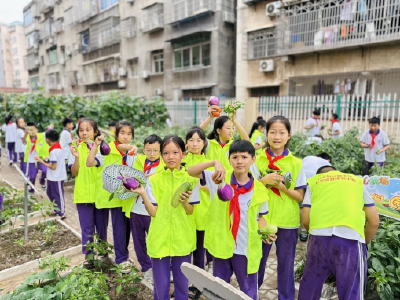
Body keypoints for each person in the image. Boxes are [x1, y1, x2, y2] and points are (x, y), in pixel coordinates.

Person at [188, 140, 275, 300]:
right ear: (229, 160)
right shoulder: (219, 179)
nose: (239, 161)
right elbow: (191, 171)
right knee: (219, 292)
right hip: (222, 247)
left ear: (253, 159)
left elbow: (261, 217)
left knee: (249, 292)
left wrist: (265, 232)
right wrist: (215, 162)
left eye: (244, 157)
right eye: (235, 157)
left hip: (246, 249)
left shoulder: (260, 189)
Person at [127, 135, 200, 300]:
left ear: (183, 154)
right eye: (166, 153)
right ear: (162, 155)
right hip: (159, 238)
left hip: (183, 238)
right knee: (161, 286)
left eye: (175, 152)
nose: (171, 157)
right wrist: (143, 193)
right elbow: (153, 212)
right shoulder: (154, 180)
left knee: (182, 284)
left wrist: (186, 202)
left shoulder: (191, 180)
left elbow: (190, 211)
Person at [298, 165, 380, 300]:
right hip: (350, 241)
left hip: (319, 239)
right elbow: (374, 221)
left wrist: (315, 234)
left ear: (320, 175)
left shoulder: (314, 182)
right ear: (337, 172)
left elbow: (306, 220)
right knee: (350, 292)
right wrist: (363, 242)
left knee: (309, 287)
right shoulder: (357, 181)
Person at [253, 115, 307, 299]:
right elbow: (248, 189)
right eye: (272, 132)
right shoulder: (257, 160)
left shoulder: (296, 163)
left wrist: (282, 188)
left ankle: (286, 296)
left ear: (289, 135)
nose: (277, 136)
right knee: (257, 261)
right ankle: (251, 293)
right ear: (266, 134)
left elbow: (300, 196)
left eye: (281, 132)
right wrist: (262, 181)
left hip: (288, 221)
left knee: (286, 263)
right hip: (262, 220)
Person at [86, 120, 137, 272]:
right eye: (122, 133)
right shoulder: (106, 150)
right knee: (101, 227)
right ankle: (103, 255)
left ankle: (122, 259)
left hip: (121, 197)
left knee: (121, 229)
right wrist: (95, 145)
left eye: (129, 134)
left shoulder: (131, 154)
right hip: (105, 194)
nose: (126, 137)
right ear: (116, 134)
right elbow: (89, 163)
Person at [120, 134, 164, 283]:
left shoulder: (164, 165)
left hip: (154, 209)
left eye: (155, 150)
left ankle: (163, 268)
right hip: (136, 208)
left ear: (161, 151)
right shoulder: (136, 159)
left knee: (157, 240)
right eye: (148, 150)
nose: (152, 154)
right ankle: (147, 268)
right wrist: (131, 147)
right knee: (139, 242)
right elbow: (120, 148)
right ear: (143, 150)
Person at [70, 118, 109, 268]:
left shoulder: (102, 149)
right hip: (83, 194)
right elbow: (74, 173)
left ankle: (103, 248)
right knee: (86, 227)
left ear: (95, 132)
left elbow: (93, 163)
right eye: (81, 130)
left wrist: (94, 146)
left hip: (99, 194)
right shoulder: (75, 148)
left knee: (101, 225)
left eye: (88, 130)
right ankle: (89, 255)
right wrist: (76, 158)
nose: (84, 133)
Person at [182, 127, 212, 276]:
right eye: (191, 140)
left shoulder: (208, 164)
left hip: (202, 212)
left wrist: (198, 186)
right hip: (184, 212)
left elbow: (213, 189)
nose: (195, 144)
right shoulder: (181, 161)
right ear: (186, 143)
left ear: (204, 143)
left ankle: (199, 280)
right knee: (184, 247)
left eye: (198, 140)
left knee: (200, 250)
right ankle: (182, 275)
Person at [200, 105, 249, 171]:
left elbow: (246, 140)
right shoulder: (209, 144)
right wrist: (210, 117)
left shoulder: (235, 145)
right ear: (218, 131)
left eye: (233, 128)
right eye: (228, 128)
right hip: (211, 180)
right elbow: (197, 133)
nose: (231, 131)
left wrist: (234, 119)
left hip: (229, 181)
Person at [299, 153, 332, 242]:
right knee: (313, 203)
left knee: (302, 205)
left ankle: (303, 230)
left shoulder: (307, 157)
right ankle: (309, 228)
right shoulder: (328, 165)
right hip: (316, 180)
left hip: (301, 177)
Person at [37, 129, 67, 219]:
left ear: (47, 140)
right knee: (50, 192)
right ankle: (56, 209)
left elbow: (53, 167)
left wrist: (42, 162)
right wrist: (48, 159)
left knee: (58, 194)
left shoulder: (54, 151)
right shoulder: (56, 148)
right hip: (52, 176)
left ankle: (61, 212)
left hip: (57, 176)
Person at [23, 123, 49, 193]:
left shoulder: (41, 136)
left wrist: (50, 128)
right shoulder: (27, 138)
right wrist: (26, 134)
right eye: (30, 130)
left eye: (33, 129)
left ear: (36, 130)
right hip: (31, 160)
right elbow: (23, 142)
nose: (32, 131)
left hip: (40, 159)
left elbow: (48, 133)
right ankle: (31, 191)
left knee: (45, 171)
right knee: (32, 177)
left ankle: (42, 181)